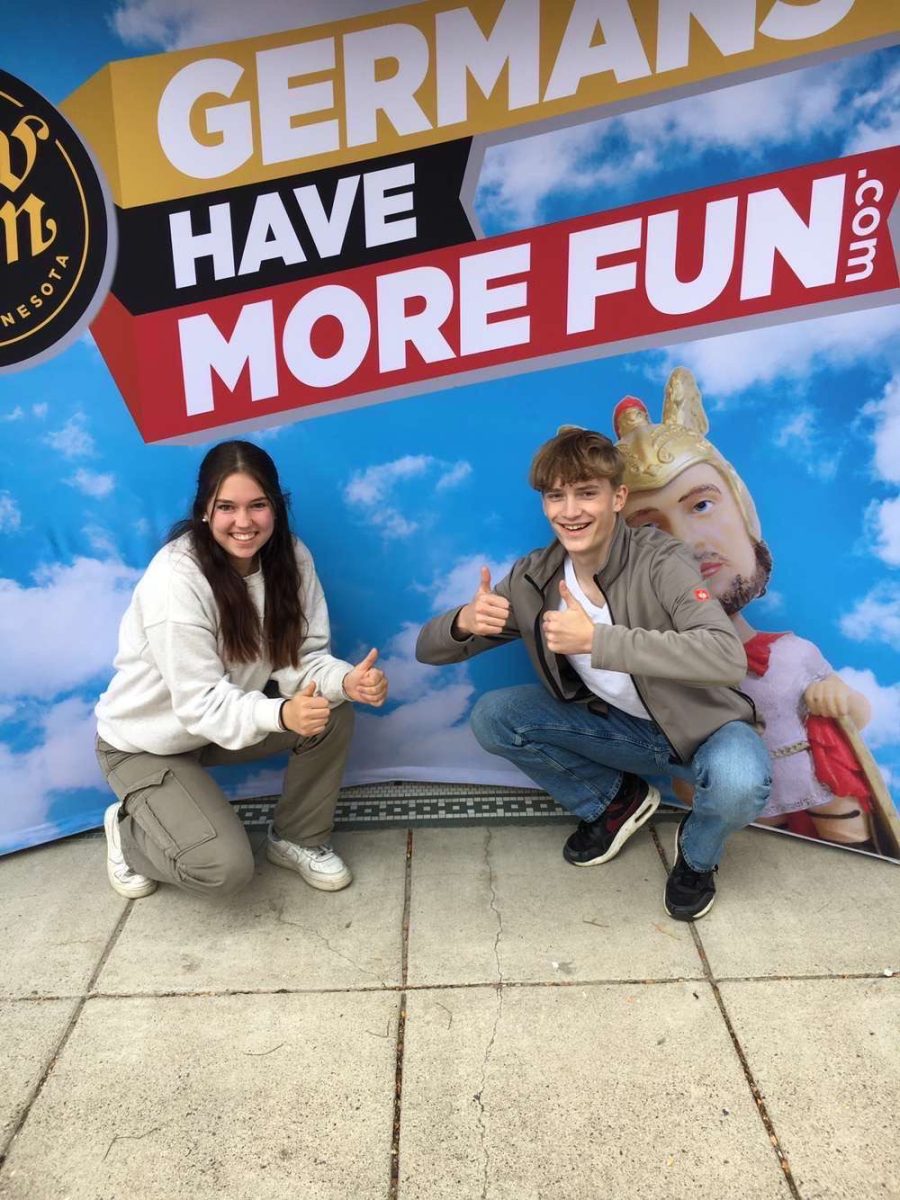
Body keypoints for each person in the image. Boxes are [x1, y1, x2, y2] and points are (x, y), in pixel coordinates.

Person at [416, 427, 772, 920]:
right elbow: (428, 652)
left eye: (587, 493)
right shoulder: (533, 577)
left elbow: (725, 655)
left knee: (740, 782)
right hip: (618, 731)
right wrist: (461, 623)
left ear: (618, 498)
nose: (571, 510)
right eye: (556, 496)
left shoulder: (661, 559)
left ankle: (696, 856)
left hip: (701, 734)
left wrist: (598, 642)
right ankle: (615, 801)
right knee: (496, 716)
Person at [614, 367, 899, 858]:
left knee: (847, 847)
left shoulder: (792, 653)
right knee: (766, 852)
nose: (687, 543)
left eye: (701, 505)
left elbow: (857, 715)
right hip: (752, 809)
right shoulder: (670, 672)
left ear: (741, 511)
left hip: (820, 785)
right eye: (652, 531)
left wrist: (837, 696)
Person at [95, 440, 388, 900]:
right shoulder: (177, 580)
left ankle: (297, 836)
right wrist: (281, 715)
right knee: (224, 869)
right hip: (146, 742)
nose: (244, 522)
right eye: (227, 507)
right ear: (204, 511)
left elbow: (303, 660)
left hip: (213, 728)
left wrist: (345, 681)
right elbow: (199, 702)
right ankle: (129, 835)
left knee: (332, 710)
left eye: (257, 505)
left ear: (276, 506)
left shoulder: (290, 556)